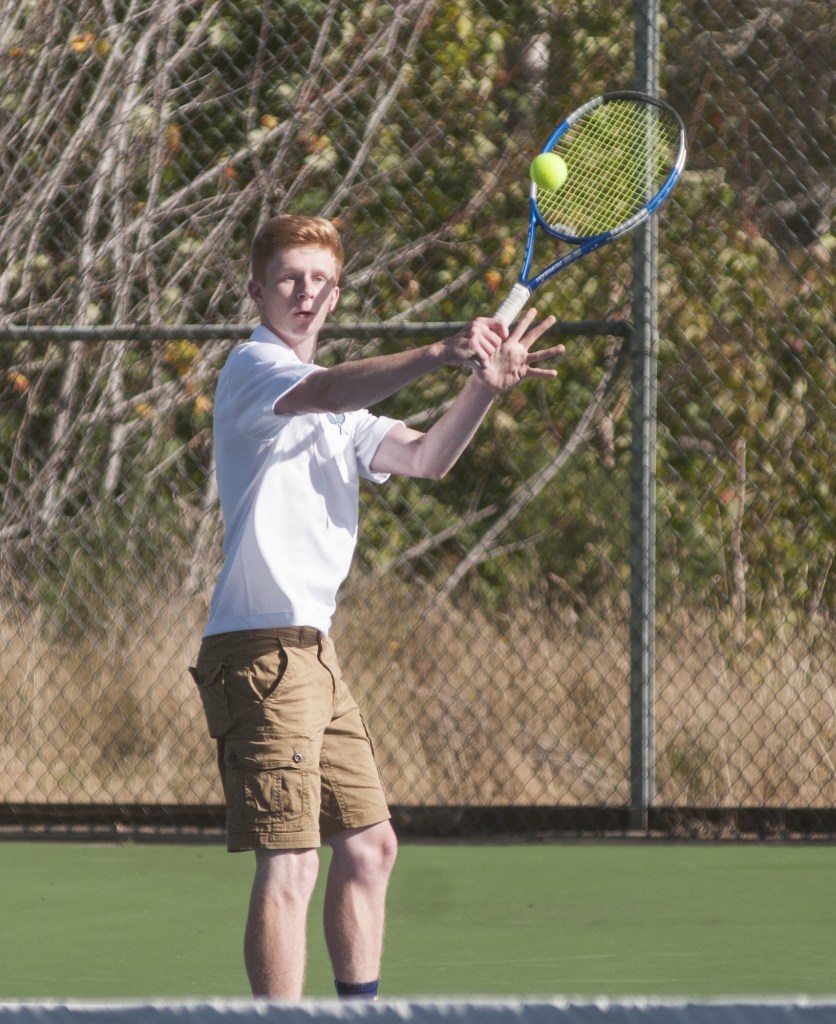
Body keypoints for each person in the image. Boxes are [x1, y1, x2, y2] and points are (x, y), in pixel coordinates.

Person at [190, 214, 564, 1001]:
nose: (305, 293)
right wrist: (438, 350)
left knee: (369, 848)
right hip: (258, 654)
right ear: (256, 289)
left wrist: (479, 386)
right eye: (289, 278)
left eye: (319, 280)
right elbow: (324, 386)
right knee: (291, 861)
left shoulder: (341, 418)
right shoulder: (252, 369)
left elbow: (426, 458)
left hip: (314, 653)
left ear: (336, 293)